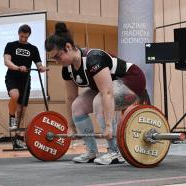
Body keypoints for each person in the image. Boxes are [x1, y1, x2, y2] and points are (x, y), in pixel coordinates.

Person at [45, 22, 150, 165]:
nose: (57, 61)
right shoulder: (67, 69)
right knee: (77, 106)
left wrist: (108, 126)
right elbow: (70, 98)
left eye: (58, 56)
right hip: (110, 87)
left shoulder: (93, 59)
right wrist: (71, 126)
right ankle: (92, 151)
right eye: (53, 59)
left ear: (68, 47)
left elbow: (107, 93)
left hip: (132, 80)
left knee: (99, 102)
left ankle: (115, 152)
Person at [4, 24, 47, 149]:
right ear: (19, 34)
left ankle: (19, 139)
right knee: (14, 95)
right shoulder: (11, 45)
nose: (23, 39)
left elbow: (38, 63)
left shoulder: (33, 48)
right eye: (22, 36)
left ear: (29, 36)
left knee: (22, 111)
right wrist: (17, 67)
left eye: (26, 37)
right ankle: (11, 116)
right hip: (12, 77)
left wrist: (41, 68)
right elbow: (6, 61)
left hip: (25, 81)